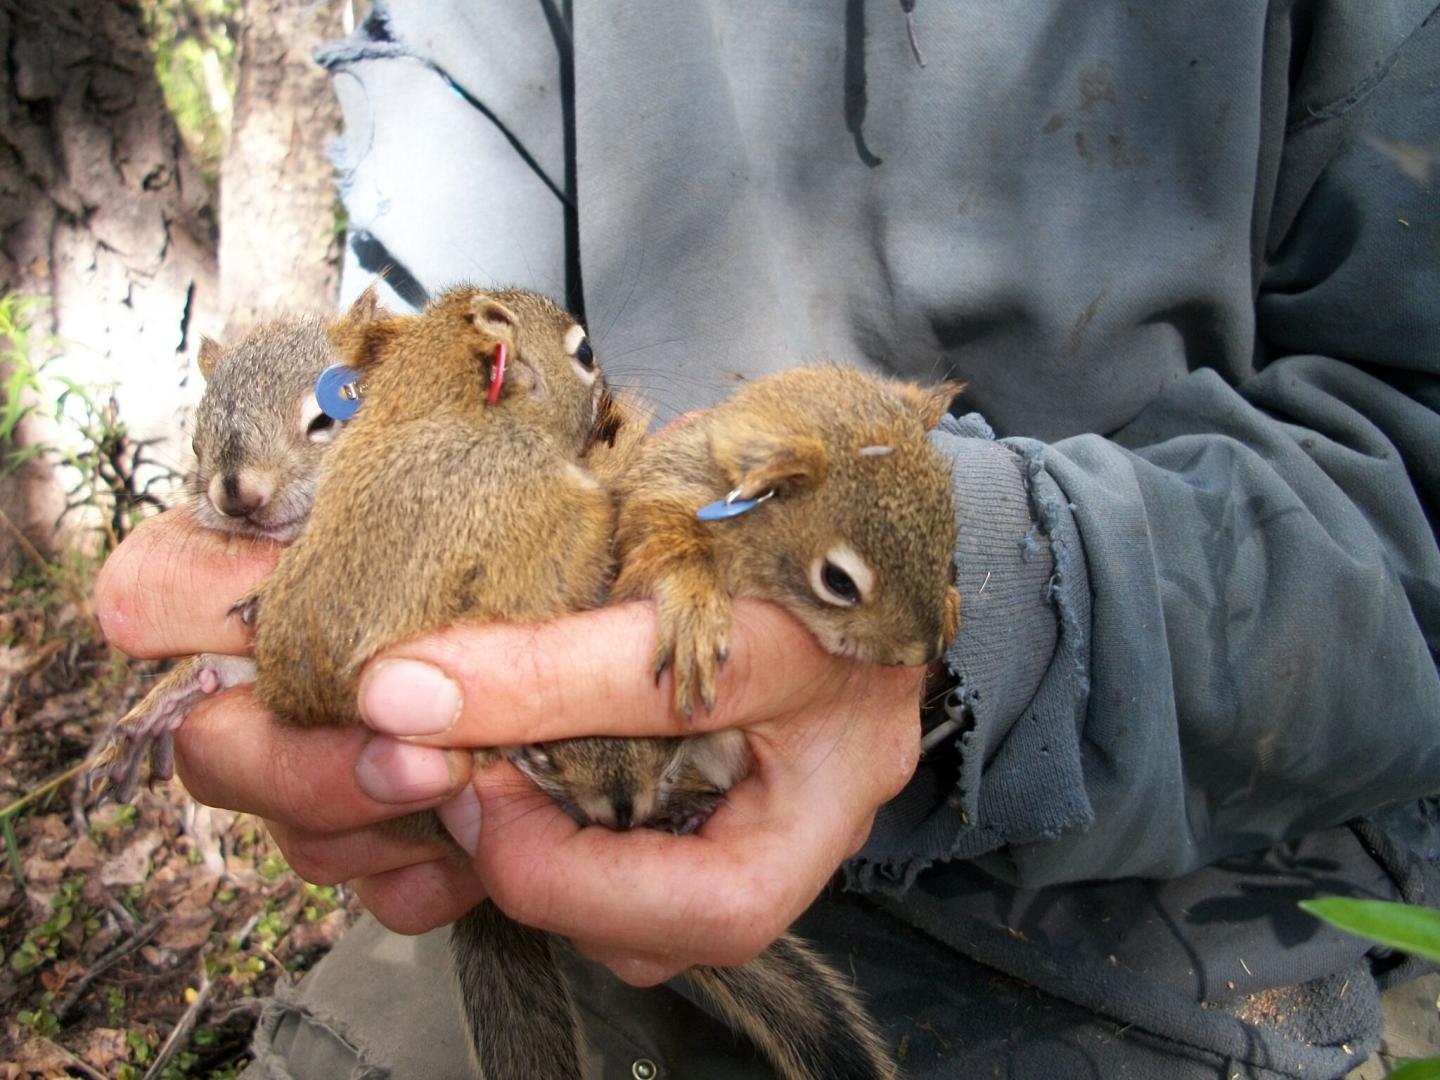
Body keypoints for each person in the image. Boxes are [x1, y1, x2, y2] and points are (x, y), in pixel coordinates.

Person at [96, 2, 1440, 1076]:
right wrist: (354, 547)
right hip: (556, 809)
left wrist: (1005, 626)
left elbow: (1409, 482)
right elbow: (445, 317)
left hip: (1167, 886)